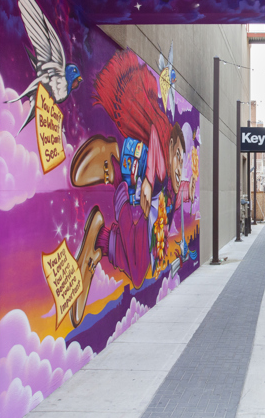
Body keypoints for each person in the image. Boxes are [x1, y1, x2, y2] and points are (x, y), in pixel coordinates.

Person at [67, 50, 196, 327]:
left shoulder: (173, 186)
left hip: (142, 220)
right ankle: (111, 165)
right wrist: (148, 182)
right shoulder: (160, 161)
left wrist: (189, 189)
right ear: (171, 147)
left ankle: (100, 238)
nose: (178, 166)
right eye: (177, 156)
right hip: (132, 200)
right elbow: (154, 148)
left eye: (180, 163)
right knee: (137, 264)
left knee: (137, 272)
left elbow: (182, 190)